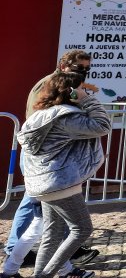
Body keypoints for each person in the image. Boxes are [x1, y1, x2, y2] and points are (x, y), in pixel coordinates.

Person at [4, 50, 99, 273]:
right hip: (48, 165)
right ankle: (17, 257)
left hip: (48, 165)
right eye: (79, 68)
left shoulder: (62, 85)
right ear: (64, 65)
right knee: (41, 216)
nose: (83, 73)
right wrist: (86, 102)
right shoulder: (53, 86)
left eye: (87, 69)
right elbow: (50, 124)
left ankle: (57, 266)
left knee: (46, 224)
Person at [18, 69, 112, 278]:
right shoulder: (64, 117)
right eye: (80, 88)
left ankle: (39, 274)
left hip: (45, 182)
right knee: (82, 229)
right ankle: (45, 276)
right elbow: (103, 125)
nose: (84, 90)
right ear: (70, 92)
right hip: (59, 182)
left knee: (53, 234)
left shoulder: (42, 114)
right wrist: (87, 100)